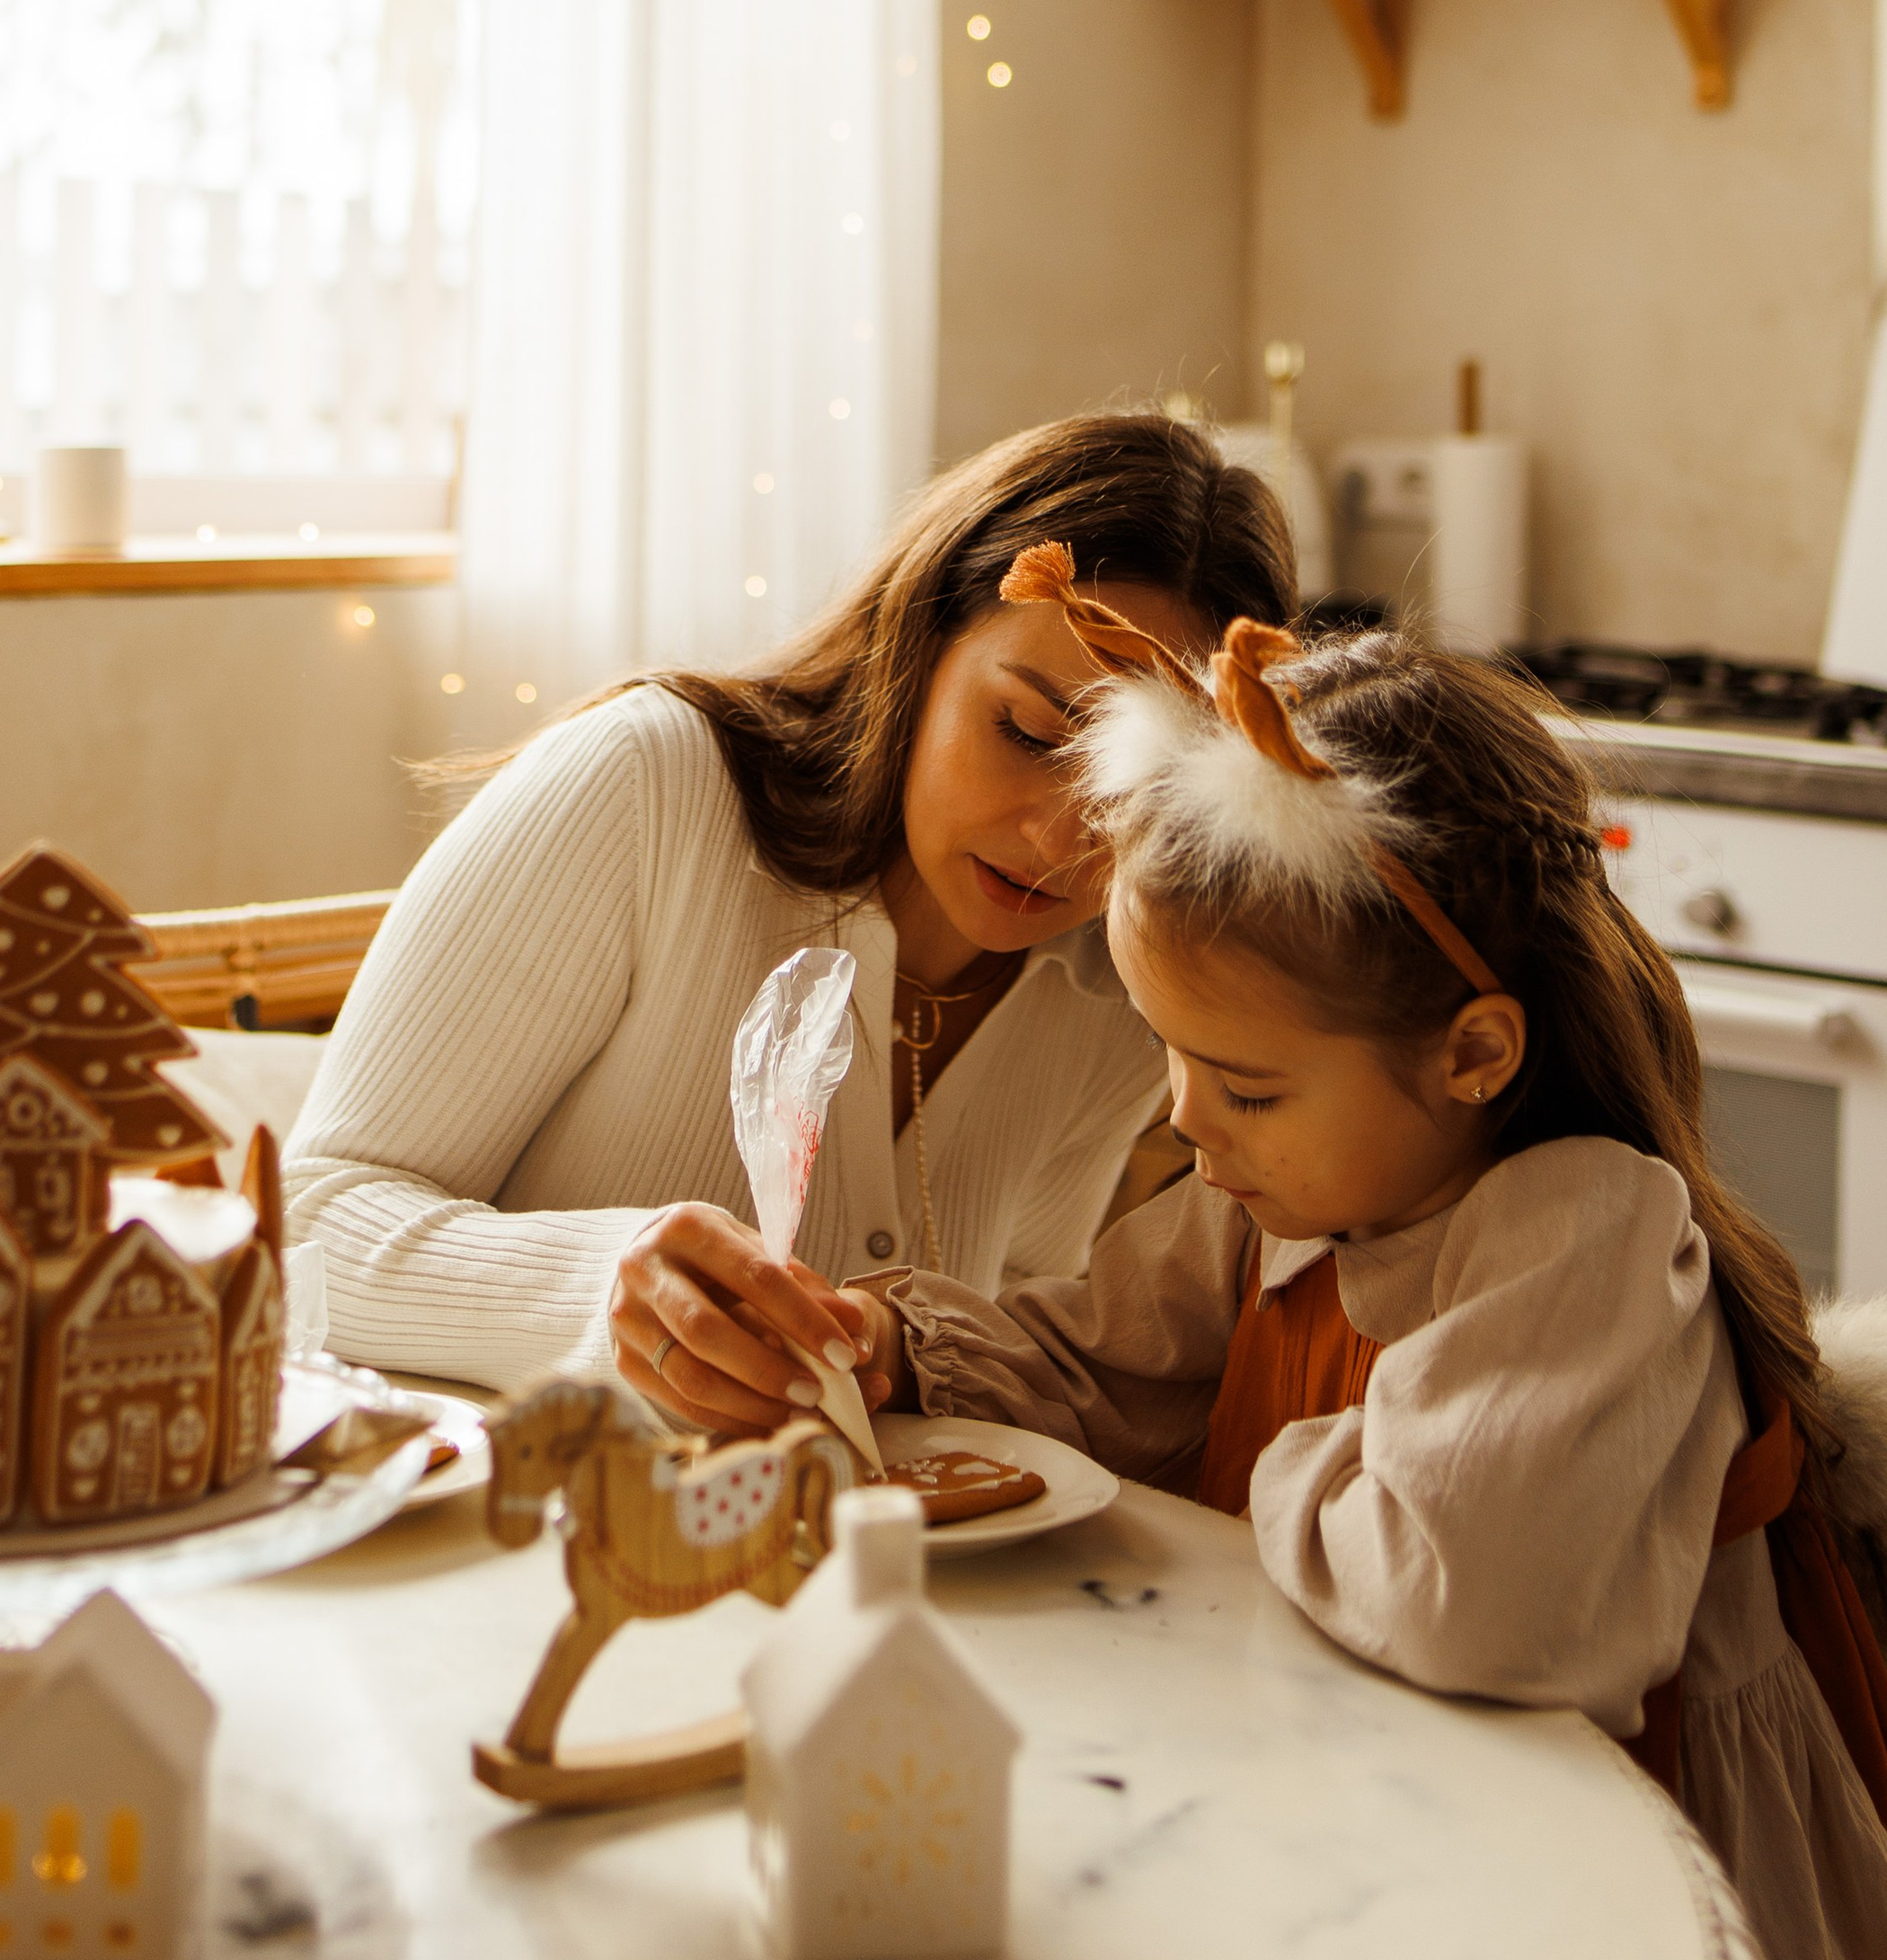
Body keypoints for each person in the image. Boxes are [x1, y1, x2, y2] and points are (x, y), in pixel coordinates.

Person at [820, 551, 1887, 1960]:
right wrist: (885, 1338)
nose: (1189, 1126)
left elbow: (1470, 1604)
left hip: (1634, 1880)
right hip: (1399, 1802)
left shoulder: (1585, 1235)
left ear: (1474, 1052)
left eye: (1248, 1083)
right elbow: (1097, 1362)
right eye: (1174, 1057)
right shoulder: (1284, 1193)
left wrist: (1261, 1465)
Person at [282, 413, 1294, 1414]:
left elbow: (1011, 1334)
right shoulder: (648, 788)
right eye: (1027, 732)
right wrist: (604, 1286)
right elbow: (307, 1221)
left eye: (1134, 785)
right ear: (920, 640)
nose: (1060, 837)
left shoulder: (1129, 996)